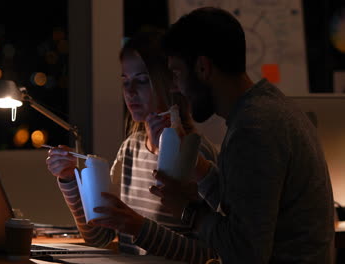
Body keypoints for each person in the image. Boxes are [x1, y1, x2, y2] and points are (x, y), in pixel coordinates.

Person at [150, 6, 335, 264]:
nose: (176, 88)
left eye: (177, 73)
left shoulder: (254, 129)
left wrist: (188, 212)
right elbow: (248, 210)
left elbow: (245, 251)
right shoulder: (269, 109)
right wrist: (199, 168)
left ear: (203, 68)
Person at [46, 31, 219, 262]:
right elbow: (99, 236)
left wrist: (138, 228)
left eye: (142, 80)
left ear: (170, 83)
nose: (129, 91)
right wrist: (68, 178)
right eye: (125, 81)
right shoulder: (130, 149)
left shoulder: (196, 157)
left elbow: (210, 256)